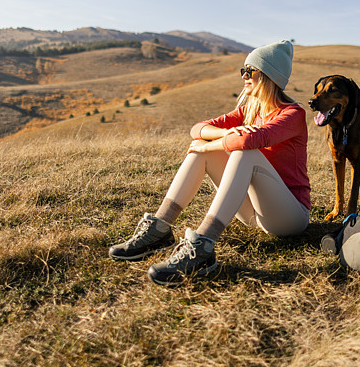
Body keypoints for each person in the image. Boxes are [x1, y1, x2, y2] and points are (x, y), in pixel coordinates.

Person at [109, 40, 311, 286]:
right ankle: (159, 229)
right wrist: (222, 136)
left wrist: (210, 144)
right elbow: (198, 129)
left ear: (269, 76)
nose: (244, 77)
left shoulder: (292, 114)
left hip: (289, 217)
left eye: (251, 71)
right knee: (201, 153)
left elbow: (249, 140)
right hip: (253, 213)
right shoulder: (248, 112)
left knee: (243, 152)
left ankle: (203, 246)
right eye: (243, 71)